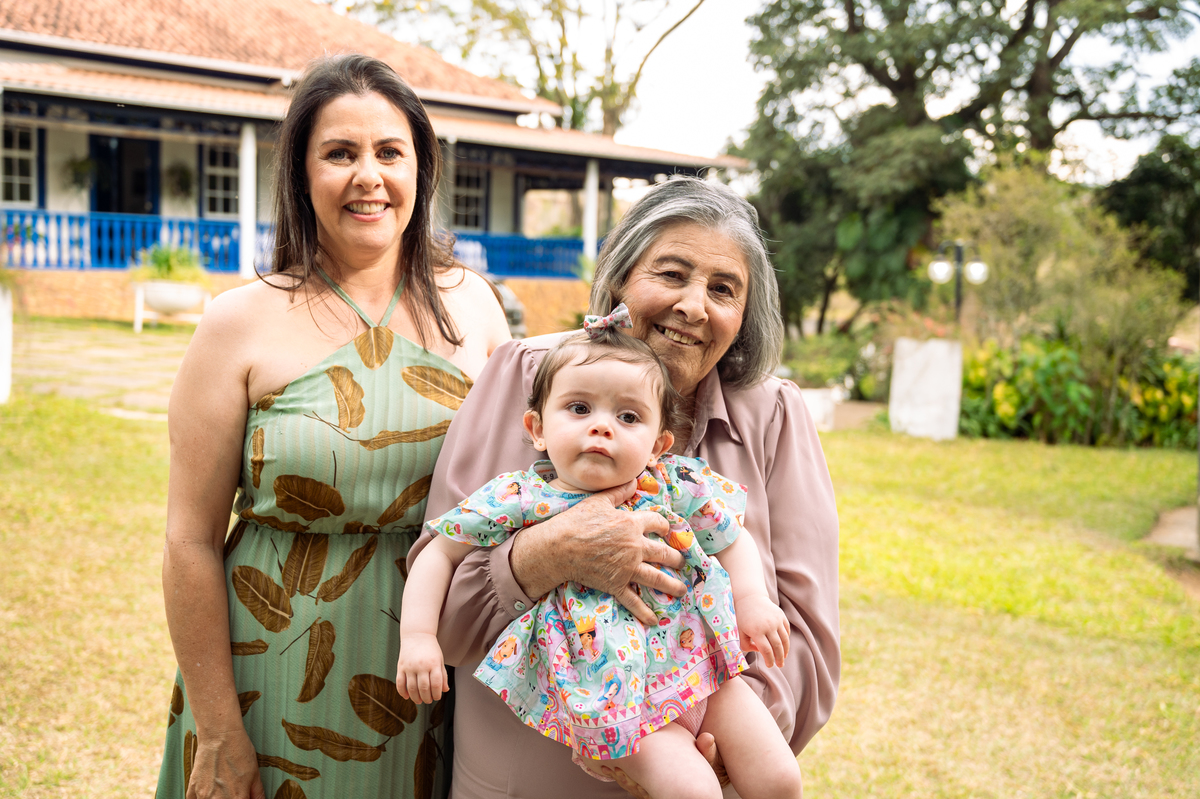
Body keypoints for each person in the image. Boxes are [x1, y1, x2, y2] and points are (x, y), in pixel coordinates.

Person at [409, 176, 840, 798]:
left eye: (723, 289)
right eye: (670, 274)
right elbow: (440, 609)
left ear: (743, 317)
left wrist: (719, 752)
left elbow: (805, 637)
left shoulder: (774, 415)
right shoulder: (529, 376)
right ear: (619, 280)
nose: (694, 305)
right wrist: (548, 555)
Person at [154, 53, 510, 799]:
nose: (368, 176)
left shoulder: (474, 307)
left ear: (422, 169)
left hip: (431, 681)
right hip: (266, 677)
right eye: (339, 153)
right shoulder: (236, 324)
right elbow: (188, 539)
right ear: (302, 173)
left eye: (389, 152)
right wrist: (219, 726)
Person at [397, 309, 800, 799]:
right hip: (613, 697)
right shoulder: (521, 498)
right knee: (695, 791)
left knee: (780, 779)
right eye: (580, 409)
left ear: (659, 444)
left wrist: (753, 599)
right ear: (537, 427)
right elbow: (438, 554)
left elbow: (732, 537)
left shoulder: (674, 484)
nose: (602, 428)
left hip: (702, 668)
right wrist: (418, 637)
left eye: (628, 417)